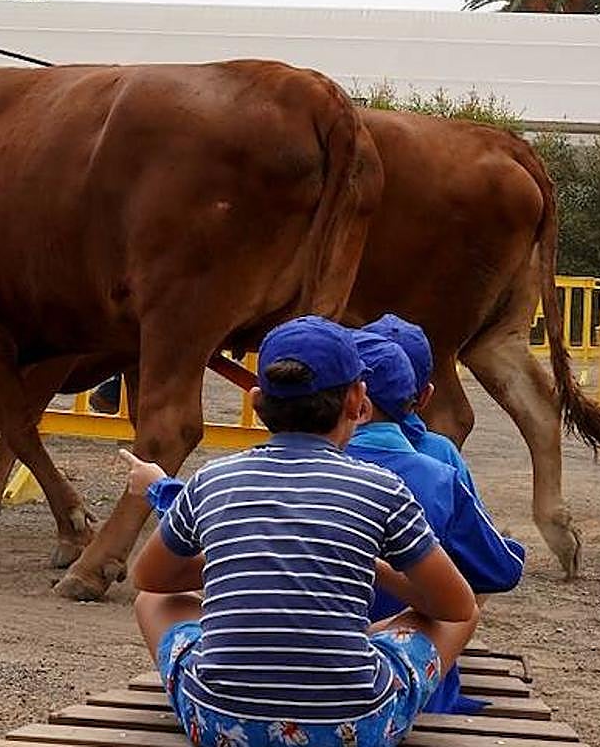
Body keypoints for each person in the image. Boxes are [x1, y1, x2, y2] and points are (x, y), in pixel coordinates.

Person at [125, 315, 479, 747]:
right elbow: (457, 606)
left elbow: (149, 579)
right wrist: (371, 567)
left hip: (220, 725)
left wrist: (245, 559)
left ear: (256, 402)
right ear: (358, 401)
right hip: (355, 730)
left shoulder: (212, 479)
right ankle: (341, 654)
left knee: (154, 601)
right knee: (445, 617)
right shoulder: (382, 489)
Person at [346, 331, 525, 714]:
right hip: (401, 691)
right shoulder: (437, 468)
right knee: (455, 601)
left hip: (264, 691)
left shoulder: (249, 475)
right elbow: (499, 570)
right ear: (424, 396)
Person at [363, 313, 478, 495]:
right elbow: (473, 521)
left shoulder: (331, 451)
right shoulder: (442, 455)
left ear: (354, 394)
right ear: (426, 396)